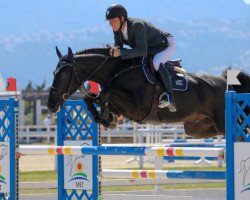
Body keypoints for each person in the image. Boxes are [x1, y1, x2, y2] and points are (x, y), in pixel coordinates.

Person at [106, 4, 176, 112]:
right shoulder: (117, 29)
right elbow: (118, 45)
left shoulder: (137, 26)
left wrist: (119, 52)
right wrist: (113, 51)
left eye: (113, 21)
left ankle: (170, 97)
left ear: (122, 18)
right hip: (150, 48)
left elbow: (141, 50)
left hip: (165, 44)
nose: (111, 24)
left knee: (156, 63)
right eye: (109, 21)